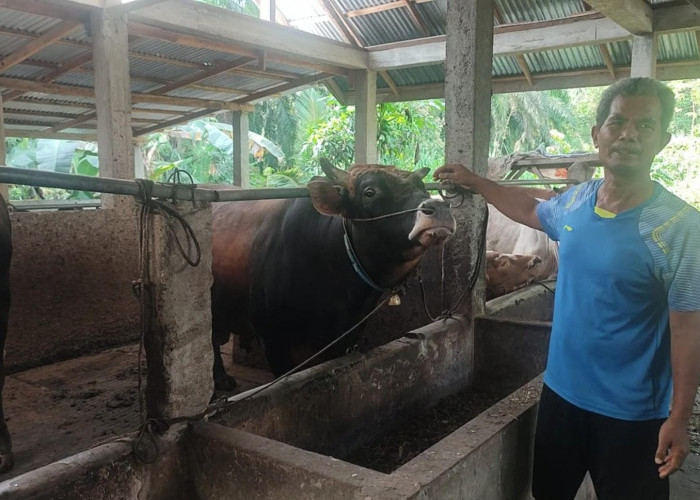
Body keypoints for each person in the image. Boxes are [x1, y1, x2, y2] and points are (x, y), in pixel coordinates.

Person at [434, 77, 700, 500]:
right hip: (561, 395)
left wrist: (680, 417)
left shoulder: (680, 227)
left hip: (633, 414)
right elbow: (529, 208)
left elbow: (688, 328)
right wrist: (477, 182)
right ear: (598, 135)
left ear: (664, 139)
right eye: (618, 123)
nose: (629, 134)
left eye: (645, 126)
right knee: (549, 494)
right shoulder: (577, 201)